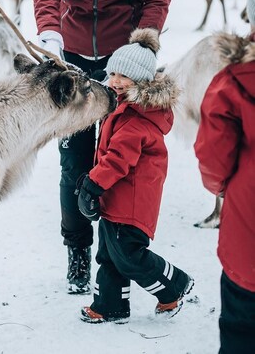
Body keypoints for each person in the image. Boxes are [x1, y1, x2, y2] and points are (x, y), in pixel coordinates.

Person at [32, 0, 173, 293]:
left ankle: (109, 259)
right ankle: (76, 251)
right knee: (74, 164)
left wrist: (144, 46)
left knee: (117, 162)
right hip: (71, 59)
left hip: (121, 66)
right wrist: (49, 31)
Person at [77, 28, 194, 323]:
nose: (114, 81)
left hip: (130, 202)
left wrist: (93, 184)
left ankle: (174, 285)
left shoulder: (137, 120)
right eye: (113, 73)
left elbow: (117, 160)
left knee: (128, 256)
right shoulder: (124, 109)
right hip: (116, 198)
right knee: (109, 255)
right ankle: (110, 305)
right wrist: (95, 183)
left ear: (140, 81)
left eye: (123, 76)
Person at [194, 0, 255, 354]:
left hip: (248, 241)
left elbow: (213, 159)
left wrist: (221, 188)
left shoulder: (233, 82)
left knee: (240, 331)